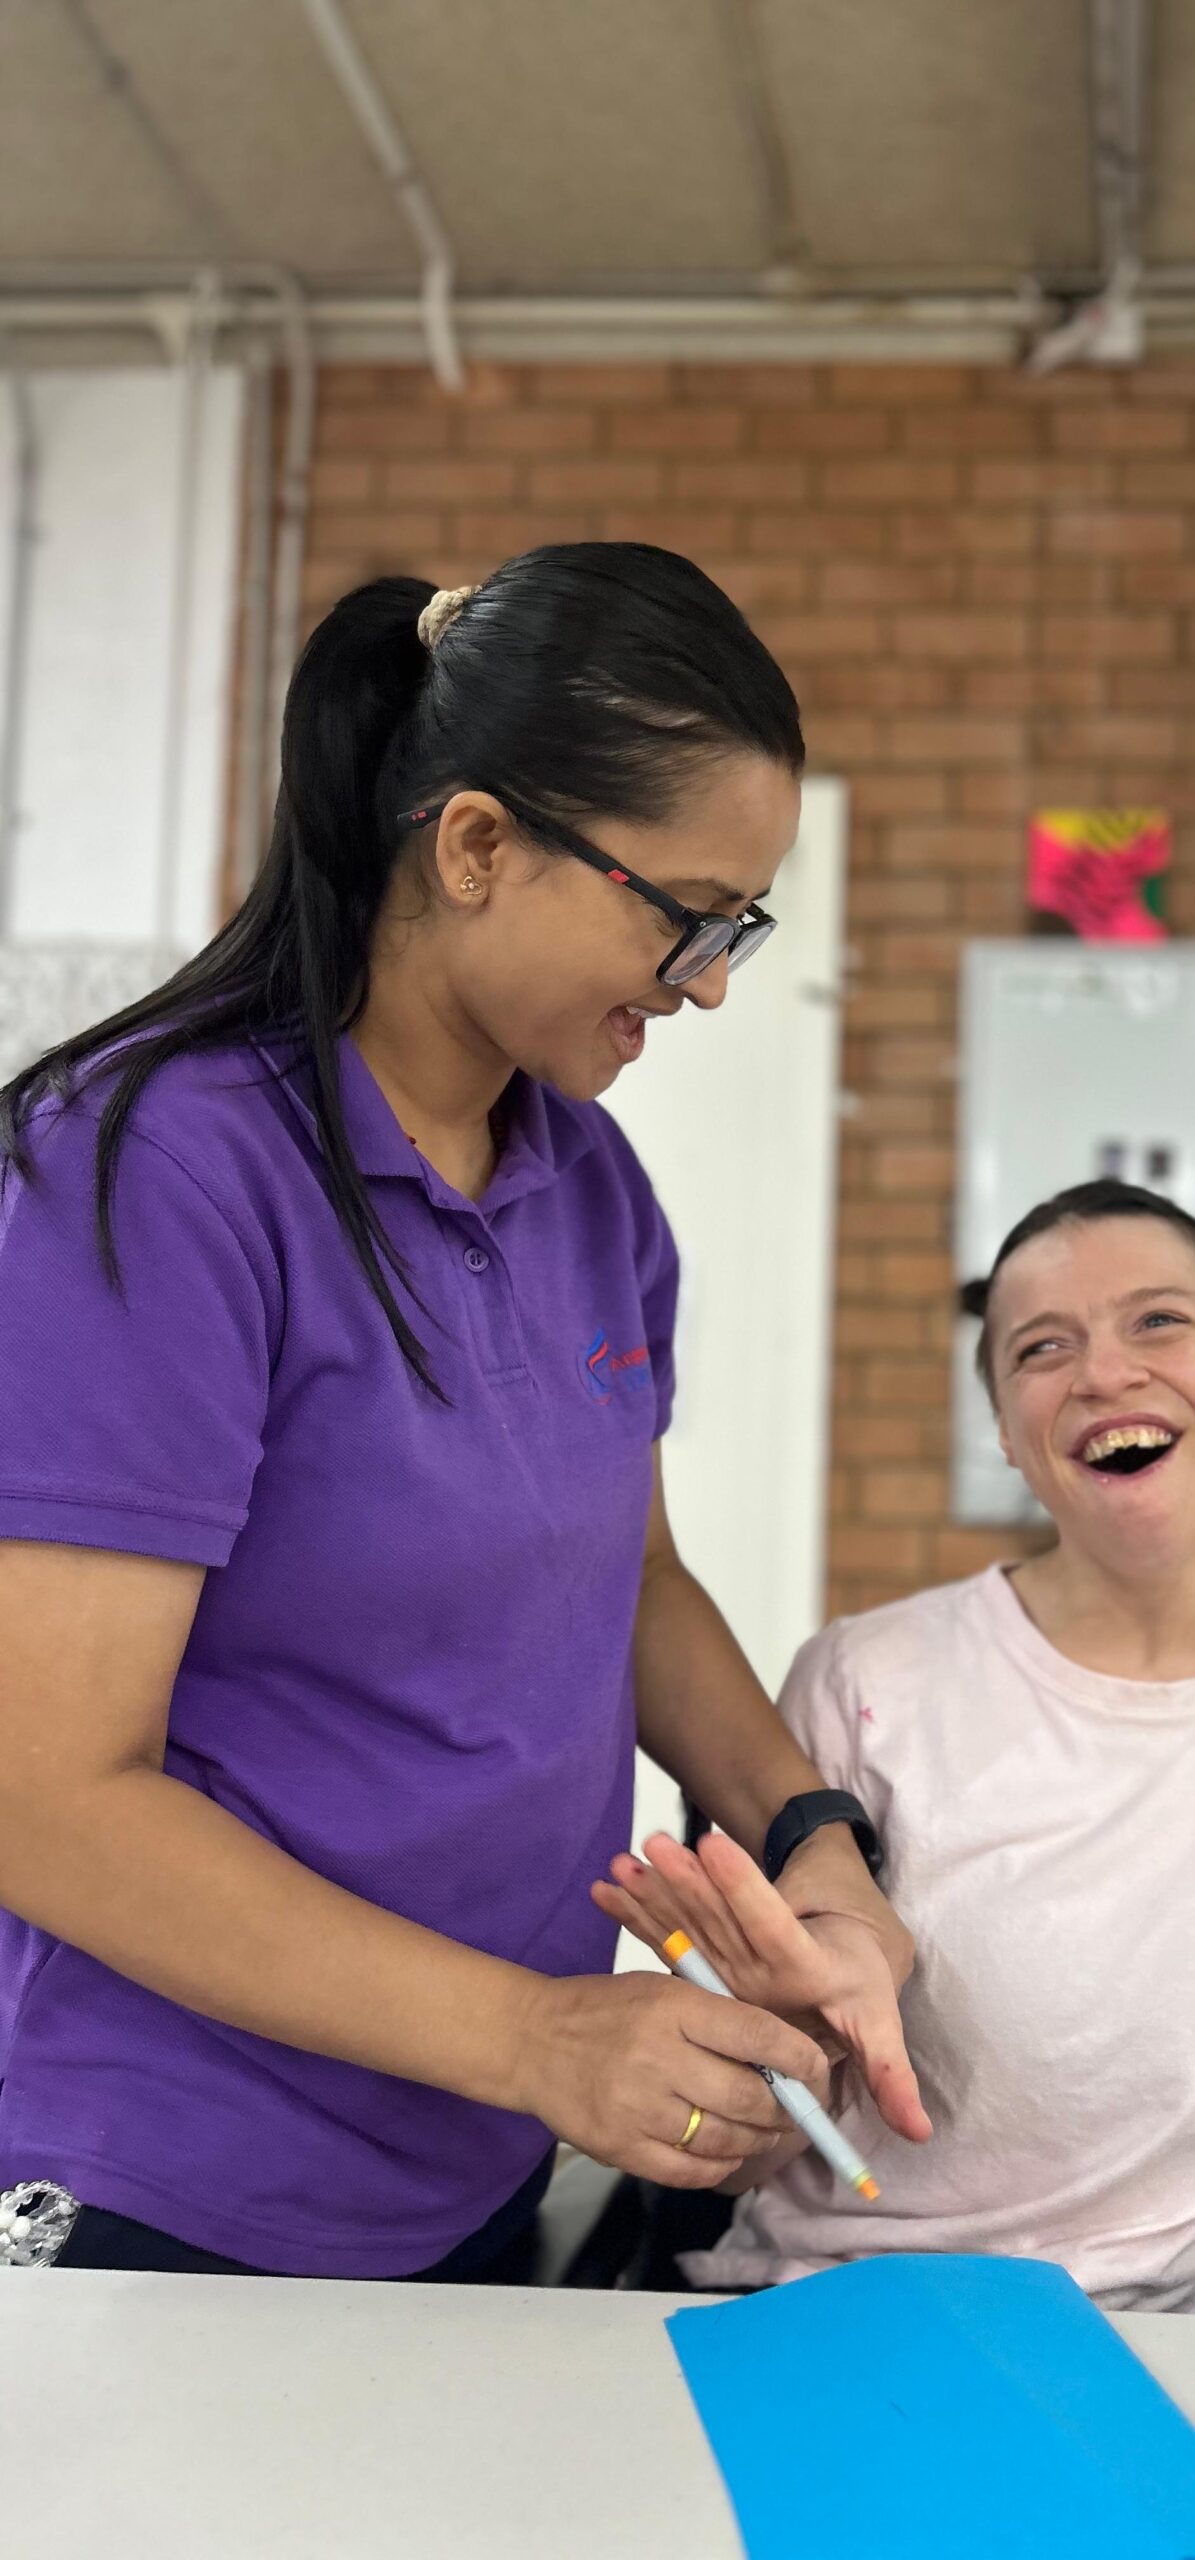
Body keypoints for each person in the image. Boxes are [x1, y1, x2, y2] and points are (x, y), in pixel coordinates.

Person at [0, 544, 926, 2281]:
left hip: (471, 2157)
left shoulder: (590, 1185)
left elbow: (632, 1580)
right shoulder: (152, 1175)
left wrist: (814, 1844)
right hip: (168, 2180)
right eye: (685, 914)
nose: (710, 980)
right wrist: (541, 2038)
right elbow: (44, 1796)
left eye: (742, 925)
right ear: (479, 845)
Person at [601, 1179, 1195, 2326]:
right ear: (1008, 1433)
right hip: (863, 2316)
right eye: (1042, 1348)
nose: (1105, 1373)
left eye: (1158, 1320)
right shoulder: (864, 1687)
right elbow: (763, 2130)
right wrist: (768, 2057)